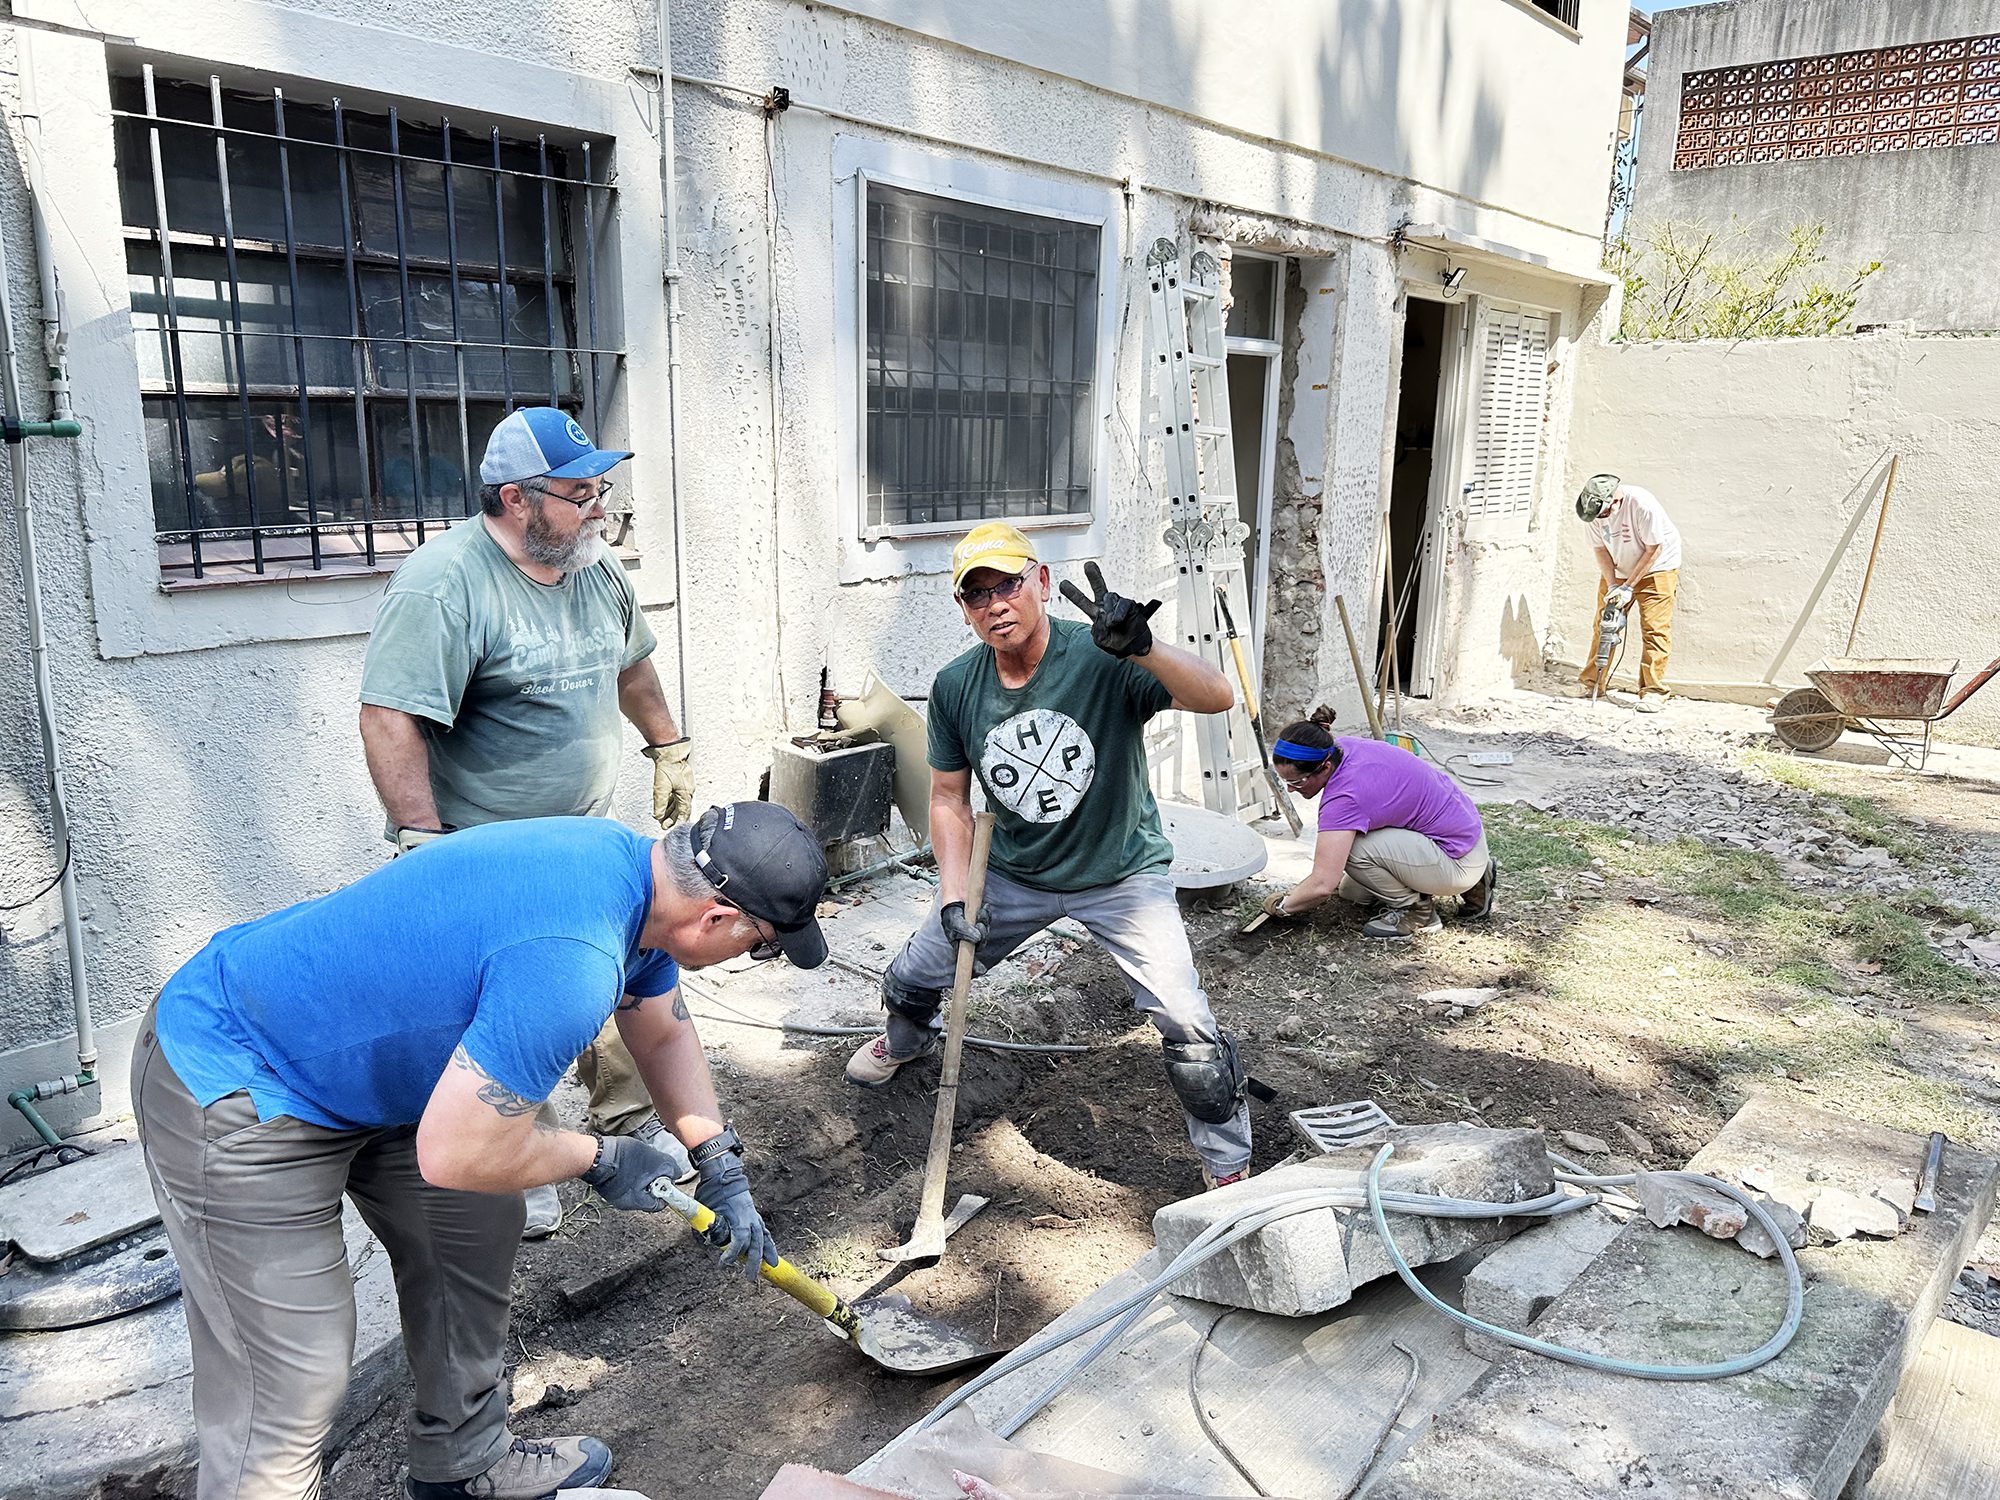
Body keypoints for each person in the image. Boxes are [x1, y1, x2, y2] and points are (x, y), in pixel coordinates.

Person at [132, 804, 828, 1500]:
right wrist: (600, 1158)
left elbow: (664, 1031)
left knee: (473, 1227)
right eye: (762, 945)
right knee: (290, 1373)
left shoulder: (642, 885)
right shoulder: (572, 960)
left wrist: (720, 1163)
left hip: (376, 1071)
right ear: (715, 918)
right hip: (244, 1072)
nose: (756, 955)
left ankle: (463, 1464)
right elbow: (456, 1154)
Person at [359, 406, 698, 1236]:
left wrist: (670, 746)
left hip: (587, 836)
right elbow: (389, 716)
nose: (599, 509)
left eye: (601, 490)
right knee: (513, 1000)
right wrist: (420, 838)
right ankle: (519, 1152)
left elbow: (632, 667)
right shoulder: (445, 584)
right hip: (488, 849)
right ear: (516, 499)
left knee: (614, 968)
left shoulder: (593, 566)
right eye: (581, 495)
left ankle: (627, 1118)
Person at [844, 523, 1255, 1189]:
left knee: (1187, 1024)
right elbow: (947, 799)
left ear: (1040, 581)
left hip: (1121, 874)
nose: (995, 604)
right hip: (1012, 873)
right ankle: (907, 1041)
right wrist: (954, 895)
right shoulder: (956, 685)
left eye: (1007, 585)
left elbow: (1217, 697)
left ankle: (1227, 1164)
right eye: (977, 595)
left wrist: (1145, 647)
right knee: (913, 976)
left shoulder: (1102, 657)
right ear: (963, 609)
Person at [1260, 712, 1495, 939]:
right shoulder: (1342, 748)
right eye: (1286, 781)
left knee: (1353, 850)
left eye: (1297, 781)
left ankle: (1416, 912)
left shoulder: (1345, 798)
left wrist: (1283, 906)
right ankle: (1476, 880)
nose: (1291, 789)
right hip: (1466, 838)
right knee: (1353, 893)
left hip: (1457, 861)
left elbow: (1322, 884)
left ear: (1325, 767)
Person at [1575, 473, 1683, 713]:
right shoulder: (1592, 511)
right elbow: (1601, 550)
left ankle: (1653, 691)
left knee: (1655, 629)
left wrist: (1628, 587)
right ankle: (1592, 683)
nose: (1600, 519)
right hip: (1619, 568)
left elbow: (1654, 549)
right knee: (1606, 624)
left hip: (1657, 567)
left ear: (1615, 501)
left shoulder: (1642, 505)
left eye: (1603, 514)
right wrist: (1613, 585)